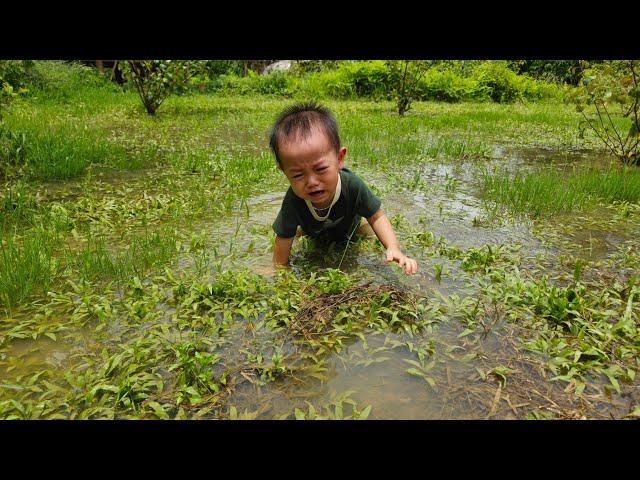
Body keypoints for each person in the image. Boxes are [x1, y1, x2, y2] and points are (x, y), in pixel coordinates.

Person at [269, 102, 417, 275]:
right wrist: (279, 271)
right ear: (284, 172)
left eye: (320, 169)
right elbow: (283, 239)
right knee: (295, 233)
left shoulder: (352, 185)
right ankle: (305, 231)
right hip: (315, 234)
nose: (311, 182)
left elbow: (376, 216)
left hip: (350, 230)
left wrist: (393, 248)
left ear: (339, 159)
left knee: (368, 231)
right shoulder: (293, 200)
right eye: (297, 175)